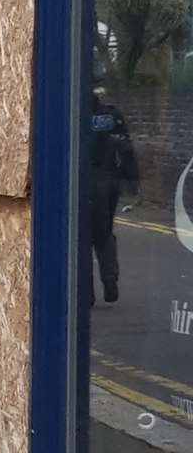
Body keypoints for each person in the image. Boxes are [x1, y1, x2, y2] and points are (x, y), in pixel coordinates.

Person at [89, 88, 138, 304]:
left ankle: (85, 293)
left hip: (83, 180)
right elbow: (126, 149)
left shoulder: (74, 114)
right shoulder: (111, 115)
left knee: (80, 236)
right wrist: (132, 179)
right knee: (105, 232)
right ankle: (109, 277)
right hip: (109, 181)